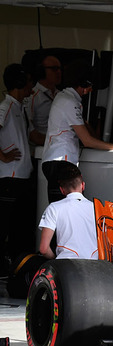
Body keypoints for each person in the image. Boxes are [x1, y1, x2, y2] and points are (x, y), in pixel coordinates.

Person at [41, 59, 113, 202]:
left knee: (63, 211)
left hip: (56, 161)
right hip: (61, 162)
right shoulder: (69, 102)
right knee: (67, 211)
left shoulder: (66, 98)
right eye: (90, 85)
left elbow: (84, 128)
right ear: (84, 83)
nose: (91, 90)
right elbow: (87, 140)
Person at [0, 64, 35, 273]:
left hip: (21, 177)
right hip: (9, 178)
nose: (32, 85)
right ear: (20, 83)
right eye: (29, 80)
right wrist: (3, 156)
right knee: (4, 226)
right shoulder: (5, 107)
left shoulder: (19, 107)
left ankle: (13, 268)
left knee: (19, 228)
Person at [37, 162, 97, 260]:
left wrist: (55, 261)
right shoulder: (97, 209)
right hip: (94, 265)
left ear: (62, 190)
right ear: (83, 185)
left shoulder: (54, 208)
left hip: (66, 265)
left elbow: (43, 249)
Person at [26, 55, 61, 147]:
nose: (58, 72)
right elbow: (28, 130)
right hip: (42, 150)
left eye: (59, 69)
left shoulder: (62, 95)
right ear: (41, 71)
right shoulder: (32, 96)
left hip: (61, 148)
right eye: (54, 69)